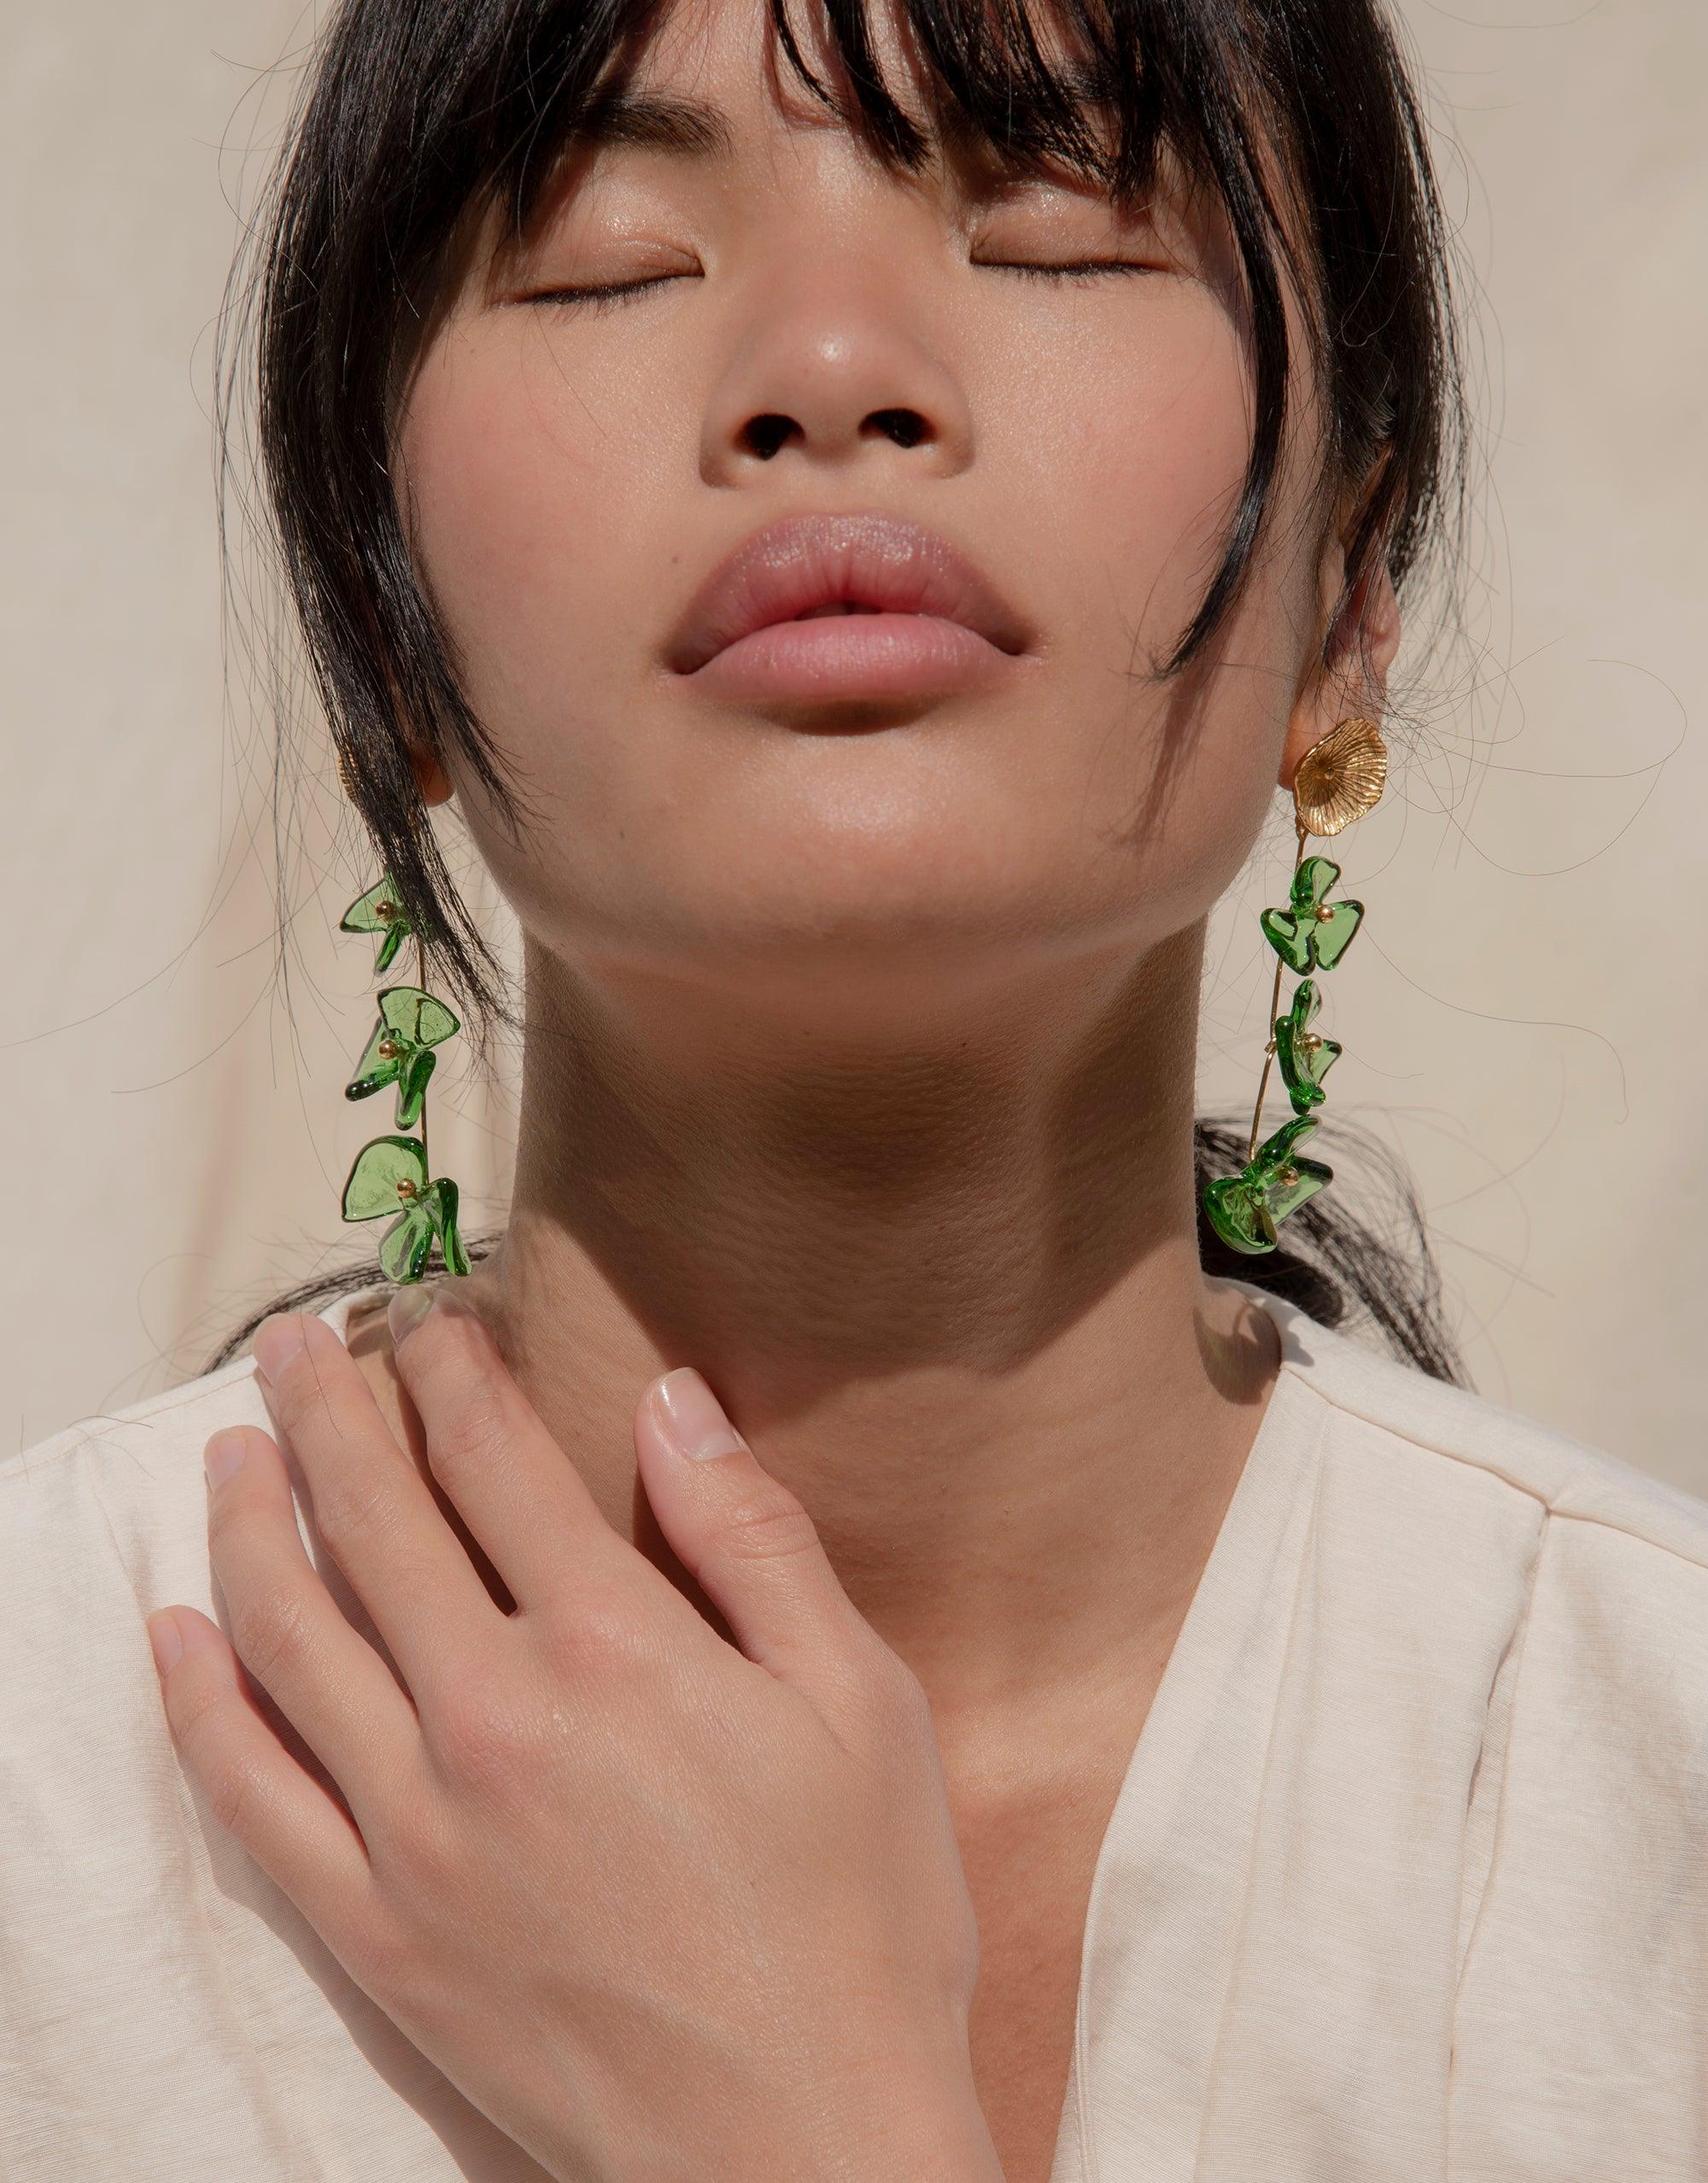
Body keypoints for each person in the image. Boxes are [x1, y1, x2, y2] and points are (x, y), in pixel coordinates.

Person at [6, 0, 1706, 2174]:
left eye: (1059, 229)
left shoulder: (1634, 1803)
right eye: (610, 251)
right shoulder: (41, 1772)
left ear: (1351, 589)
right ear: (377, 613)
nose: (830, 365)